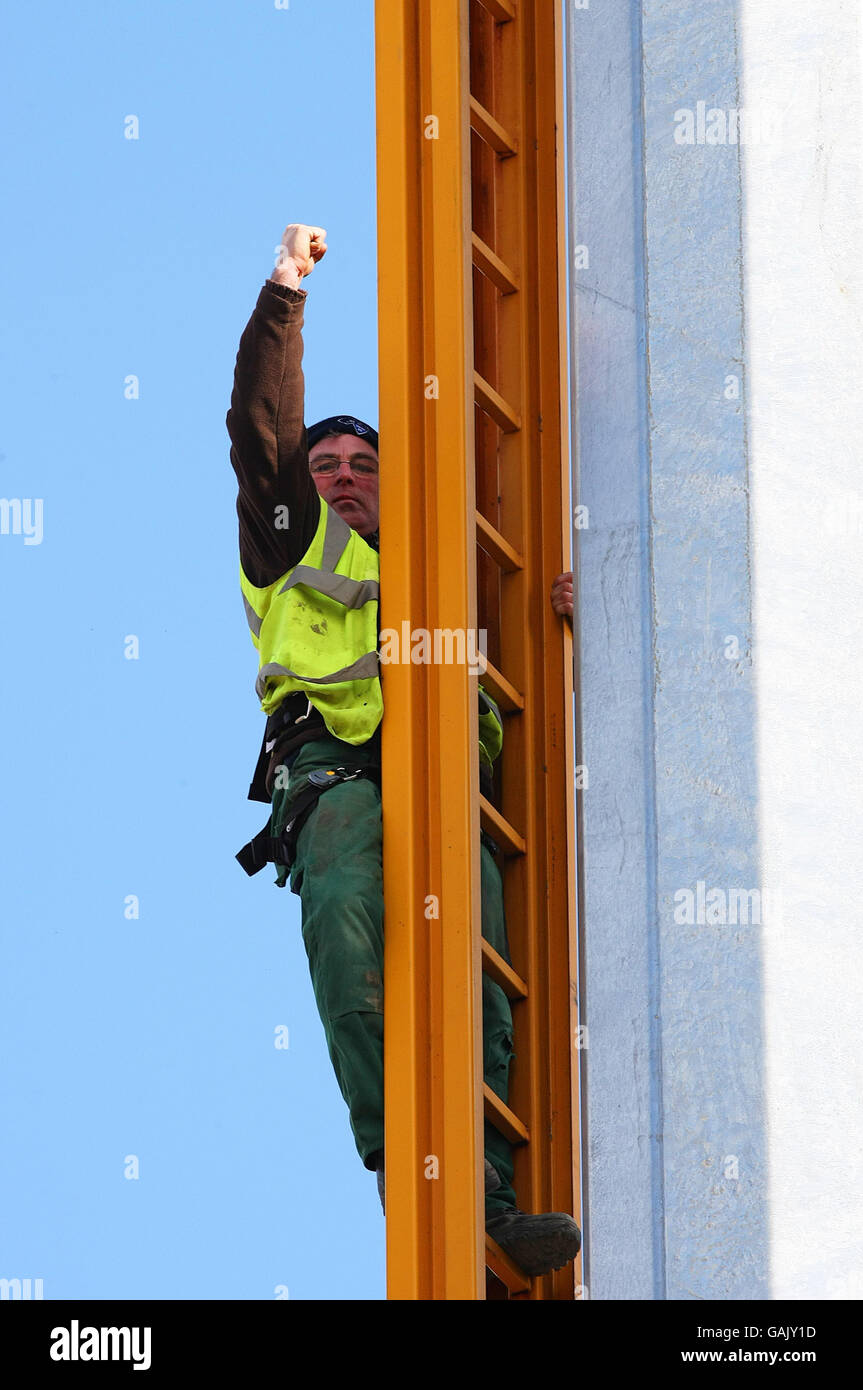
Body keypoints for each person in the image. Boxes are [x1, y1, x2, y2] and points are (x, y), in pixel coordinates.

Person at [227, 222, 580, 1277]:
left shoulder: (444, 564)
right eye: (325, 462)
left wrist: (567, 613)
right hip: (334, 774)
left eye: (359, 463)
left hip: (444, 790)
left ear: (393, 479)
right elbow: (259, 425)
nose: (339, 475)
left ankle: (493, 1202)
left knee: (482, 969)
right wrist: (285, 294)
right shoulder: (294, 534)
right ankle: (401, 1164)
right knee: (343, 923)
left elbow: (518, 673)